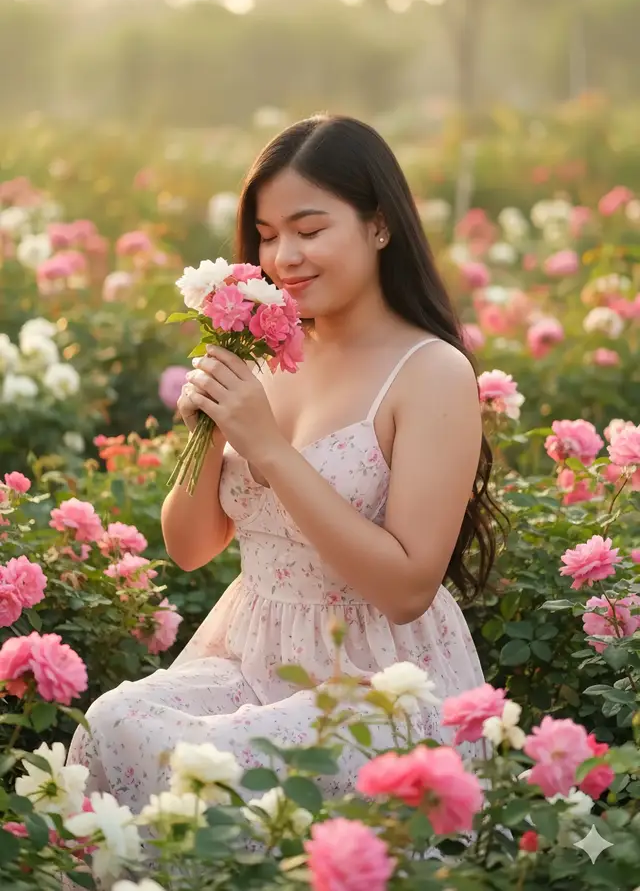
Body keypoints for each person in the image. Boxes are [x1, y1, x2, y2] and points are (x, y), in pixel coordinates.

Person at [67, 114, 504, 813]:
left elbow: (407, 586)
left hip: (375, 674)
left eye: (309, 228)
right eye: (267, 236)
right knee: (115, 722)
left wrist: (268, 446)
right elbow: (189, 547)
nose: (283, 256)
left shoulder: (430, 372)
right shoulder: (263, 351)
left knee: (221, 770)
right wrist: (208, 434)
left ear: (380, 225)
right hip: (250, 651)